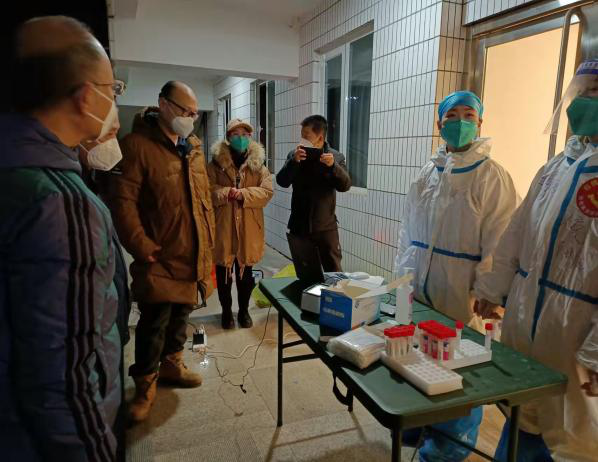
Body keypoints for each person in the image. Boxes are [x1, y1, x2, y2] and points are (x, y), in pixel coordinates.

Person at [0, 16, 121, 461]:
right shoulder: (58, 202)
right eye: (112, 89)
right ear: (87, 96)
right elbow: (63, 378)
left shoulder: (14, 167)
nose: (114, 101)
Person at [475, 59, 598, 462]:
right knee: (523, 413)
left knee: (573, 435)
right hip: (528, 316)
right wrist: (493, 289)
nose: (586, 102)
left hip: (577, 332)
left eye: (597, 93)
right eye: (583, 93)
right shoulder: (555, 168)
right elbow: (517, 232)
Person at [395, 91, 519, 461]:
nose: (460, 122)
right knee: (421, 360)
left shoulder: (492, 176)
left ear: (480, 124)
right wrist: (402, 280)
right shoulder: (427, 172)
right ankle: (419, 431)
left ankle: (447, 450)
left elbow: (501, 240)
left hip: (462, 293)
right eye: (452, 115)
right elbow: (408, 232)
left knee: (461, 372)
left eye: (469, 115)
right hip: (422, 287)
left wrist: (489, 291)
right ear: (440, 123)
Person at [106, 80, 215, 424]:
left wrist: (209, 244)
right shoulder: (136, 146)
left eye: (194, 113)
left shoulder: (193, 149)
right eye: (185, 111)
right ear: (163, 104)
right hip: (158, 255)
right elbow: (123, 203)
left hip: (191, 251)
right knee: (154, 322)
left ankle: (172, 365)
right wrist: (141, 245)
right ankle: (144, 385)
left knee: (182, 315)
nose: (190, 118)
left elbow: (203, 200)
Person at [79, 119, 131, 462]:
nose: (115, 140)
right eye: (110, 133)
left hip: (107, 345)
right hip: (91, 366)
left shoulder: (90, 182)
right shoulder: (65, 198)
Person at [208, 119, 273, 329]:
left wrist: (243, 194)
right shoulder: (215, 164)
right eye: (236, 134)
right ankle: (226, 312)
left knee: (246, 274)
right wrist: (227, 192)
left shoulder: (258, 165)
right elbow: (206, 190)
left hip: (249, 228)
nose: (241, 138)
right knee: (224, 274)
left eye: (245, 134)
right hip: (223, 227)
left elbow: (267, 192)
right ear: (228, 137)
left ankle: (244, 311)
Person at [276, 115, 351, 271]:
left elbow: (345, 185)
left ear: (320, 138)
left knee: (333, 273)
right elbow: (282, 181)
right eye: (301, 136)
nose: (302, 141)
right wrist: (293, 162)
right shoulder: (294, 154)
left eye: (306, 137)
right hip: (299, 227)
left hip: (325, 228)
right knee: (305, 273)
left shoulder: (336, 157)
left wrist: (333, 167)